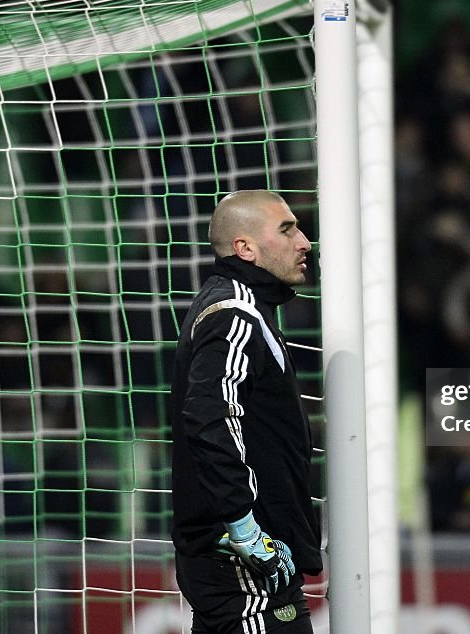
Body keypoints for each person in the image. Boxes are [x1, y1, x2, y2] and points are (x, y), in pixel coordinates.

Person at [171, 190, 319, 633]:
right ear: (245, 248)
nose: (304, 241)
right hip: (244, 566)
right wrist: (244, 528)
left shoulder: (247, 307)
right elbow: (210, 415)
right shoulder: (233, 314)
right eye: (286, 229)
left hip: (250, 565)